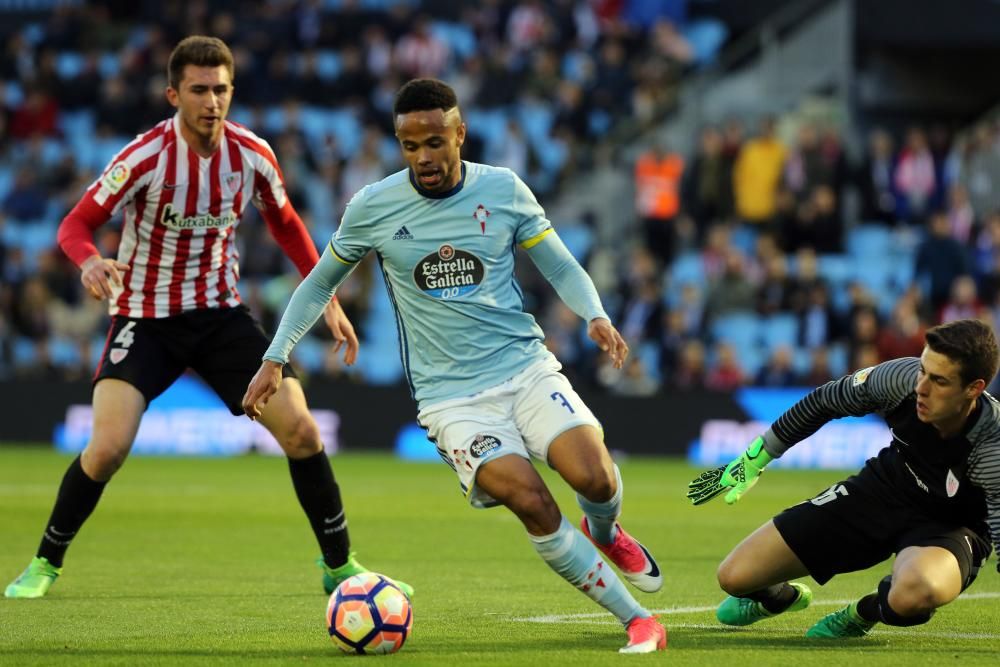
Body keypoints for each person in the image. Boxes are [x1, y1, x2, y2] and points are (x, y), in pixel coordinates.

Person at [242, 78, 667, 654]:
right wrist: (276, 356)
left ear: (459, 134)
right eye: (410, 145)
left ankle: (606, 531)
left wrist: (593, 314)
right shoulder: (373, 206)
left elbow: (560, 264)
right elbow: (318, 284)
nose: (424, 157)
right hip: (451, 400)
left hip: (525, 369)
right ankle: (637, 618)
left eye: (435, 142)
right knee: (532, 501)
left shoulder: (505, 190)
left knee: (593, 476)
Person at [5, 36, 410, 601]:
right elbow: (75, 225)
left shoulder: (252, 155)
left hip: (220, 317)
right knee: (107, 449)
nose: (211, 101)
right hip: (145, 320)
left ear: (232, 91)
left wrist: (330, 299)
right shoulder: (143, 157)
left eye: (221, 89)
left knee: (302, 431)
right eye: (198, 90)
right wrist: (90, 260)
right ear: (174, 94)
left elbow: (288, 226)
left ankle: (340, 566)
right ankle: (46, 561)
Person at [687, 318, 1000, 638]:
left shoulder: (993, 446)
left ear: (974, 388)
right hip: (884, 490)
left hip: (951, 527)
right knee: (734, 577)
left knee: (915, 592)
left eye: (939, 380)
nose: (921, 387)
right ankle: (780, 598)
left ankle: (866, 611)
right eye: (922, 370)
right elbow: (825, 401)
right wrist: (756, 458)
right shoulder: (900, 379)